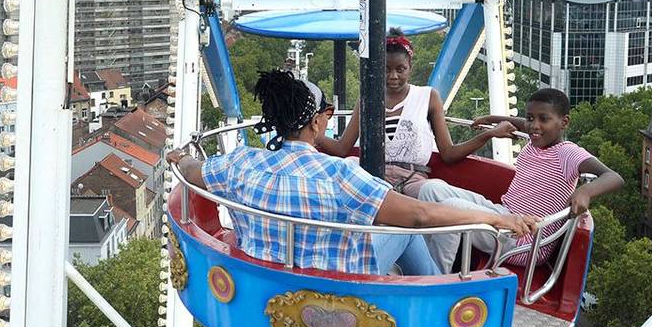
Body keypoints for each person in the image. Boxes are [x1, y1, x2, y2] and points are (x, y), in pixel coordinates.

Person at [167, 69, 540, 277]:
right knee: (404, 231)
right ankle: (436, 289)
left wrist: (179, 157)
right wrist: (493, 217)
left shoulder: (239, 164)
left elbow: (191, 169)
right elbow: (421, 215)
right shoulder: (340, 175)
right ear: (316, 123)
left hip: (265, 280)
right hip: (337, 284)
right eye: (327, 114)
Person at [417, 88, 624, 273]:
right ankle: (424, 263)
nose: (534, 126)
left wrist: (585, 191)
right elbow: (523, 126)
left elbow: (614, 177)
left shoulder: (567, 153)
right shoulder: (536, 141)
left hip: (524, 239)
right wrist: (493, 118)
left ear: (564, 122)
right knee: (430, 189)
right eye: (530, 118)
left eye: (543, 119)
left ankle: (435, 277)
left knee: (452, 207)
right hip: (504, 214)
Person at [318, 29, 497, 197]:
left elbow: (448, 152)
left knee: (436, 192)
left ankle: (493, 214)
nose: (393, 76)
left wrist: (488, 135)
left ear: (410, 66)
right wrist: (312, 133)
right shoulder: (367, 100)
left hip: (413, 179)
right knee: (348, 165)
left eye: (400, 69)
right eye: (386, 69)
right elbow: (343, 148)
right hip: (374, 178)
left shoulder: (428, 97)